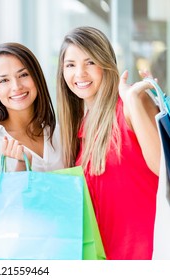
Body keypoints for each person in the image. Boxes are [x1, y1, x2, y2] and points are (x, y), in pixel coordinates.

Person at [56, 26, 160, 259]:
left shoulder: (131, 102)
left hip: (147, 257)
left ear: (105, 63)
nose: (80, 73)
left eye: (90, 62)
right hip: (105, 260)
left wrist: (132, 100)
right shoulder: (80, 128)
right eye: (70, 65)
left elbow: (161, 167)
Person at [0, 42, 63, 172]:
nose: (16, 86)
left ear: (36, 77)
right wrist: (21, 166)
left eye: (23, 75)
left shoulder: (59, 132)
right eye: (4, 80)